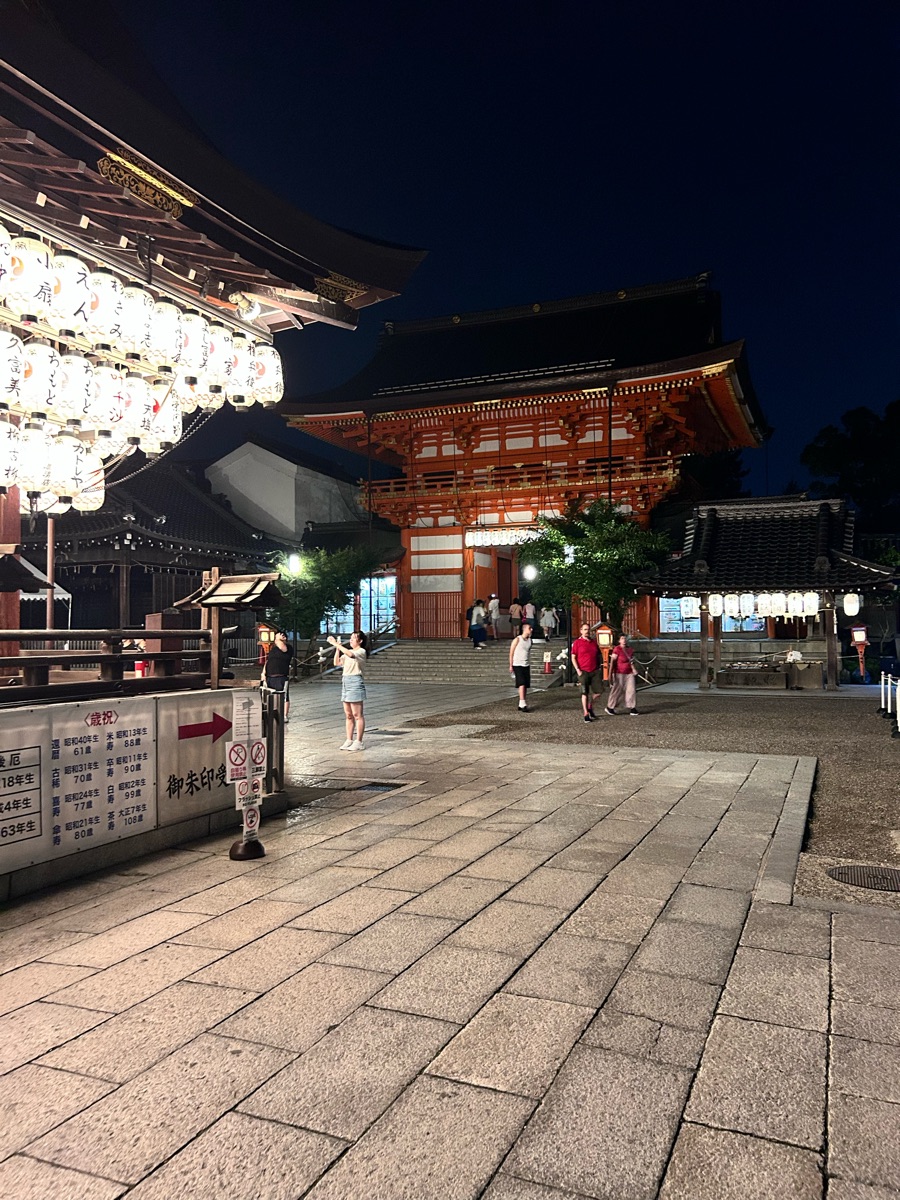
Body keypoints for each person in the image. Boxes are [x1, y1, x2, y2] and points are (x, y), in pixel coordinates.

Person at [327, 630, 368, 748]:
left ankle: (359, 741)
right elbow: (337, 663)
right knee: (348, 714)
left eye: (353, 638)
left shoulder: (361, 651)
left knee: (357, 714)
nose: (350, 640)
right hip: (346, 681)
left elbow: (351, 655)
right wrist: (337, 649)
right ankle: (349, 739)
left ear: (360, 641)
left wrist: (336, 644)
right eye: (350, 638)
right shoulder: (347, 652)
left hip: (355, 681)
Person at [571, 622, 603, 722]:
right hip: (583, 670)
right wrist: (577, 669)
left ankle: (590, 706)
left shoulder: (593, 642)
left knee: (599, 691)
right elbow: (573, 657)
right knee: (584, 692)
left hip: (594, 670)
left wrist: (599, 666)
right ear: (581, 631)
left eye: (588, 629)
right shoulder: (577, 643)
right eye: (584, 629)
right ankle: (586, 713)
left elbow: (598, 654)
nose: (587, 631)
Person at [261, 629, 293, 722]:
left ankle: (284, 715)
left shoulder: (287, 648)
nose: (282, 635)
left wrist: (278, 637)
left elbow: (282, 647)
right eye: (281, 634)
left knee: (284, 695)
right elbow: (268, 661)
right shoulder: (273, 649)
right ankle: (272, 713)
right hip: (270, 675)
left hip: (281, 675)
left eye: (284, 635)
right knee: (270, 695)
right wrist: (263, 673)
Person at [607, 633, 639, 716]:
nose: (624, 640)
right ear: (619, 640)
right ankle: (610, 706)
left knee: (631, 689)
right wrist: (610, 674)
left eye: (625, 638)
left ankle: (632, 707)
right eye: (622, 639)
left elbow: (631, 661)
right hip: (619, 672)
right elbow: (612, 662)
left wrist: (634, 669)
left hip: (629, 672)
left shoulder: (630, 650)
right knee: (617, 690)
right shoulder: (617, 649)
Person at [509, 620, 534, 712]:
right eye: (529, 628)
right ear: (524, 629)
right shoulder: (517, 639)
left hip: (526, 664)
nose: (531, 630)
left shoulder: (530, 641)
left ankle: (522, 701)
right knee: (521, 683)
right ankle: (523, 703)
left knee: (526, 684)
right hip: (517, 663)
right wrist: (511, 665)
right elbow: (511, 652)